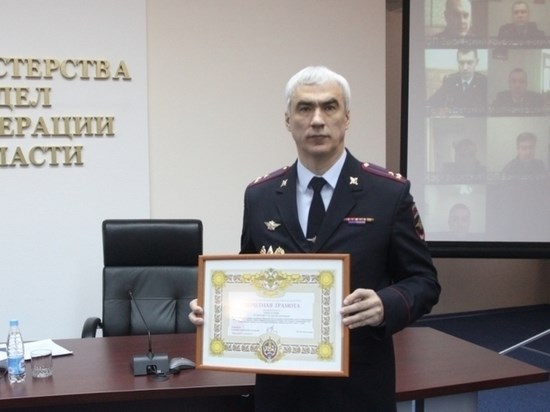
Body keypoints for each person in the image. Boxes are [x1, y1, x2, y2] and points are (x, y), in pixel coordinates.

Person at [189, 66, 441, 411]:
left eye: (330, 107)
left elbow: (424, 281)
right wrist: (218, 309)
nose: (317, 120)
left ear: (347, 117)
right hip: (281, 388)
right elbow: (249, 280)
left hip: (358, 385)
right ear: (288, 121)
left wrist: (385, 305)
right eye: (305, 108)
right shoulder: (260, 196)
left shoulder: (388, 193)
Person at [427, 48, 487, 114]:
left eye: (469, 63)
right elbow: (431, 103)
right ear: (457, 62)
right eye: (461, 63)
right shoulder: (450, 80)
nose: (465, 68)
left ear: (477, 62)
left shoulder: (484, 82)